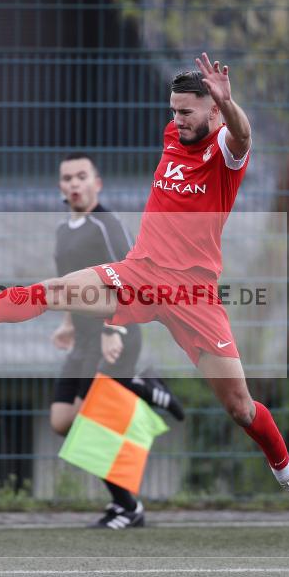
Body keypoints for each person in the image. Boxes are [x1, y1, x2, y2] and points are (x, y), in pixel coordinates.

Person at [0, 53, 289, 517]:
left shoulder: (225, 150)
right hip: (139, 274)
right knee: (53, 290)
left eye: (187, 111)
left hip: (193, 295)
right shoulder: (174, 136)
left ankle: (285, 470)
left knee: (241, 409)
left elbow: (243, 135)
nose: (177, 119)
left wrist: (230, 105)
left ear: (213, 110)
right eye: (173, 110)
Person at [51, 153, 184, 529]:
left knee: (95, 423)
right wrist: (67, 324)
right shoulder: (64, 230)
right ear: (60, 186)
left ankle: (127, 508)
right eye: (67, 178)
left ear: (98, 183)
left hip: (117, 336)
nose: (74, 184)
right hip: (83, 340)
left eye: (81, 176)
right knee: (63, 421)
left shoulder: (106, 223)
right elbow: (68, 286)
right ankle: (143, 387)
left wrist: (116, 328)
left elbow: (132, 277)